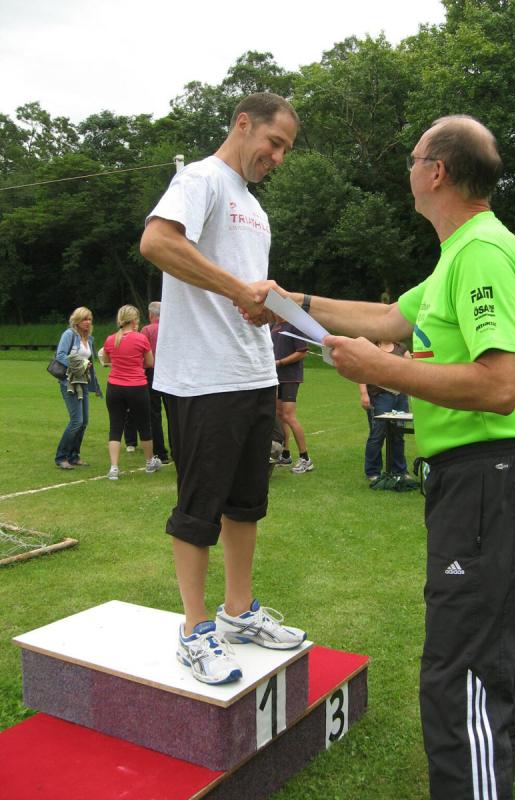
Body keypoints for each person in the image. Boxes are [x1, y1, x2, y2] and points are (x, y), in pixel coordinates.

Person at [254, 115, 515, 800]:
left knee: (464, 676)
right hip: (479, 483)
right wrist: (293, 304)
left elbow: (498, 384)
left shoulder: (482, 252)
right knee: (468, 665)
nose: (409, 170)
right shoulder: (460, 253)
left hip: (489, 480)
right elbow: (389, 319)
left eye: (413, 158)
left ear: (437, 171)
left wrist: (381, 370)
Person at [139, 92, 306, 686]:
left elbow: (248, 292)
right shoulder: (200, 179)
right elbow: (157, 243)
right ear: (242, 124)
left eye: (285, 150)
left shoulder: (255, 207)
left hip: (254, 373)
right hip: (202, 378)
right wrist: (239, 288)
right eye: (274, 143)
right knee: (198, 509)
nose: (278, 158)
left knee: (246, 504)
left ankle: (239, 611)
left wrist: (267, 300)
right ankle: (194, 629)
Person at [100, 305, 162, 480]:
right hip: (137, 387)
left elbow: (107, 360)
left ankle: (114, 467)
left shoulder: (110, 339)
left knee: (115, 427)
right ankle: (149, 462)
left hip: (114, 387)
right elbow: (150, 362)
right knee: (144, 425)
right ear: (134, 320)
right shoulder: (141, 338)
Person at [54, 306, 102, 470]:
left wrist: (95, 384)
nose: (87, 322)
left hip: (83, 382)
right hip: (69, 383)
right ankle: (61, 457)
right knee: (76, 421)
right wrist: (79, 364)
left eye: (89, 319)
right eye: (84, 319)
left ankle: (74, 456)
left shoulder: (89, 339)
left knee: (84, 421)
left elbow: (90, 362)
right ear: (77, 321)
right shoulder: (69, 334)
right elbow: (60, 355)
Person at [358, 341, 409, 483]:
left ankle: (399, 470)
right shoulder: (370, 348)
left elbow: (412, 368)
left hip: (400, 397)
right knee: (377, 435)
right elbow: (361, 371)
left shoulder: (401, 348)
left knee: (398, 435)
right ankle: (373, 472)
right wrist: (364, 394)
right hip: (379, 397)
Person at [271, 318, 313, 473]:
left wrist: (280, 362)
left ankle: (305, 459)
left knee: (289, 416)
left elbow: (302, 352)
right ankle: (285, 454)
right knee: (279, 415)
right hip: (276, 377)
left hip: (290, 377)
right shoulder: (273, 325)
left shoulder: (294, 325)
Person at [141, 301, 170, 464]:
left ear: (151, 315)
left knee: (154, 413)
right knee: (173, 413)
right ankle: (178, 449)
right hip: (171, 372)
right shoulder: (170, 328)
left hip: (152, 372)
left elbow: (142, 353)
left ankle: (160, 452)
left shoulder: (147, 330)